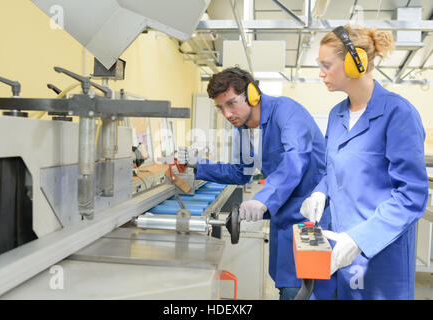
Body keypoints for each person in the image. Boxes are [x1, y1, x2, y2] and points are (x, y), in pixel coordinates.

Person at [300, 25, 429, 299]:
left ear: (353, 63)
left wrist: (360, 239)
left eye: (326, 65)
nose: (320, 73)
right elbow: (334, 168)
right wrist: (321, 191)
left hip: (379, 257)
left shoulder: (398, 114)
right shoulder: (337, 115)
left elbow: (412, 195)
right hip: (339, 247)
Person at [178, 67, 328, 299]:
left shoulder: (286, 112)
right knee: (284, 285)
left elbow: (294, 158)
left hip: (310, 220)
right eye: (220, 108)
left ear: (251, 94)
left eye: (231, 103)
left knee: (300, 291)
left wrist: (262, 200)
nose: (227, 114)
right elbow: (240, 172)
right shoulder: (243, 129)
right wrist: (197, 166)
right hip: (283, 219)